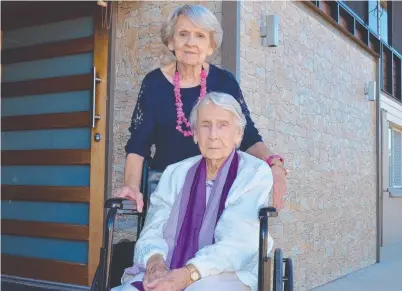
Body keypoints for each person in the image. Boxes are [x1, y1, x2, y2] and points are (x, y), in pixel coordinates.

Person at [114, 4, 288, 211]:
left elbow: (247, 135)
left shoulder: (224, 82)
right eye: (183, 34)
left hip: (218, 188)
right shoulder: (154, 84)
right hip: (169, 190)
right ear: (171, 41)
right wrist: (132, 187)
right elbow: (138, 145)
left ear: (211, 46)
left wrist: (274, 163)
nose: (191, 43)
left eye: (200, 36)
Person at [112, 92, 274, 291]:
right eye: (205, 125)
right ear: (195, 134)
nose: (213, 135)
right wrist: (155, 261)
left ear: (238, 135)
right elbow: (154, 227)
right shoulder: (175, 173)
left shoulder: (254, 173)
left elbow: (237, 244)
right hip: (170, 264)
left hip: (233, 270)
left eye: (223, 125)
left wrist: (189, 274)